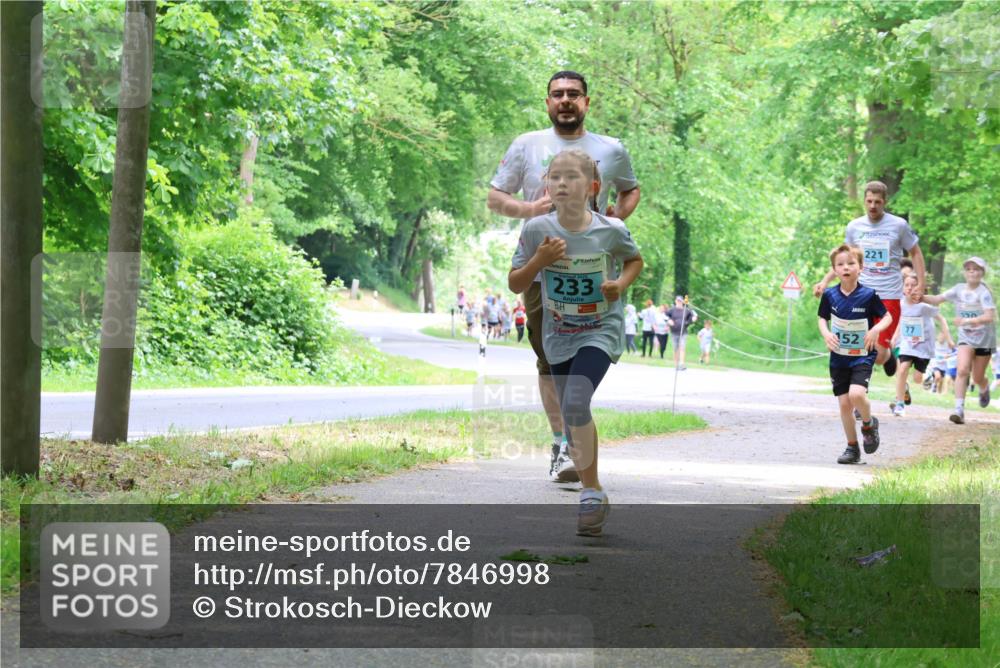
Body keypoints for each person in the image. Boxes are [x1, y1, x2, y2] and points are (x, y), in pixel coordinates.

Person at [489, 70, 641, 481]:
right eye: (557, 94)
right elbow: (495, 197)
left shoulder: (610, 149)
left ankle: (576, 437)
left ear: (587, 102)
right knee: (548, 361)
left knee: (583, 363)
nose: (566, 100)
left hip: (592, 266)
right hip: (542, 264)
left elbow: (630, 189)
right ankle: (562, 445)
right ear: (547, 102)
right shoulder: (527, 144)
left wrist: (614, 220)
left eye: (574, 94)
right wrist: (531, 213)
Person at [509, 149, 643, 536]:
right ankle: (594, 491)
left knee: (576, 399)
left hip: (600, 327)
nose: (562, 183)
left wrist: (619, 284)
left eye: (572, 177)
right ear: (546, 185)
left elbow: (634, 260)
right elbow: (516, 282)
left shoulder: (610, 230)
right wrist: (540, 260)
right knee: (572, 411)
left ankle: (591, 492)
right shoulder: (537, 230)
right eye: (555, 177)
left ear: (593, 187)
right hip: (559, 332)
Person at [812, 181, 926, 379]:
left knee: (879, 354)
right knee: (859, 346)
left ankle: (887, 356)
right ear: (864, 201)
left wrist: (921, 285)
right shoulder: (854, 227)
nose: (873, 206)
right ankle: (859, 391)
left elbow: (915, 252)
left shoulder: (898, 225)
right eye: (869, 201)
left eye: (878, 202)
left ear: (885, 202)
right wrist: (825, 281)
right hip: (861, 294)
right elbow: (845, 259)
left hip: (888, 295)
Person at [817, 244, 893, 465]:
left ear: (860, 267)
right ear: (835, 269)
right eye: (840, 264)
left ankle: (869, 425)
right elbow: (822, 318)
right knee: (844, 404)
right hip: (839, 357)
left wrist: (876, 329)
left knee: (857, 395)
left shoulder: (868, 295)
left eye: (851, 263)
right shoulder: (830, 295)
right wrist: (826, 334)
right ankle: (852, 448)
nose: (846, 267)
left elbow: (887, 317)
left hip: (862, 355)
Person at [920, 256, 997, 424]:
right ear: (965, 272)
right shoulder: (958, 289)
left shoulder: (983, 293)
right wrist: (920, 297)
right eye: (969, 269)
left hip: (985, 339)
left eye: (976, 269)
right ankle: (959, 410)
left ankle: (983, 387)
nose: (972, 272)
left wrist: (968, 321)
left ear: (981, 273)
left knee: (977, 377)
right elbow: (938, 299)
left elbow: (989, 316)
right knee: (962, 370)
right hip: (966, 338)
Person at [889, 274, 952, 416]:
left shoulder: (925, 306)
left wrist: (948, 338)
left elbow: (941, 319)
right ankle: (900, 404)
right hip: (907, 343)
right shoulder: (901, 303)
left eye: (913, 285)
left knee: (917, 379)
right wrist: (894, 337)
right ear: (903, 288)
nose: (910, 288)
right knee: (903, 368)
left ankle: (922, 379)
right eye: (907, 285)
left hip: (923, 346)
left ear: (920, 288)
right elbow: (902, 320)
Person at [666, 296, 697, 369]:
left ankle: (682, 364)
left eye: (680, 301)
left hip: (683, 332)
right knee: (676, 348)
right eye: (678, 301)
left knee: (682, 347)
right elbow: (664, 316)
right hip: (674, 332)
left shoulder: (687, 310)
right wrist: (668, 321)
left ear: (683, 302)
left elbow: (693, 317)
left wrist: (693, 319)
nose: (679, 302)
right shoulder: (671, 310)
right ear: (675, 301)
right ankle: (676, 365)